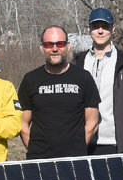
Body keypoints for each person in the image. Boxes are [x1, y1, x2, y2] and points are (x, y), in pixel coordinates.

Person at [18, 25, 100, 159]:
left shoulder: (84, 78)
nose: (55, 49)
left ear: (67, 46)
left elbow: (92, 124)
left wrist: (76, 151)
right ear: (42, 47)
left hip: (74, 161)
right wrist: (36, 152)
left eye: (60, 44)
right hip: (39, 161)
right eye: (49, 44)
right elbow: (23, 125)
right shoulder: (30, 79)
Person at [72, 8, 123, 156]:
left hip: (116, 144)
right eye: (95, 27)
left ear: (113, 29)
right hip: (84, 143)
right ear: (89, 29)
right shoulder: (78, 61)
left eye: (105, 26)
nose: (100, 31)